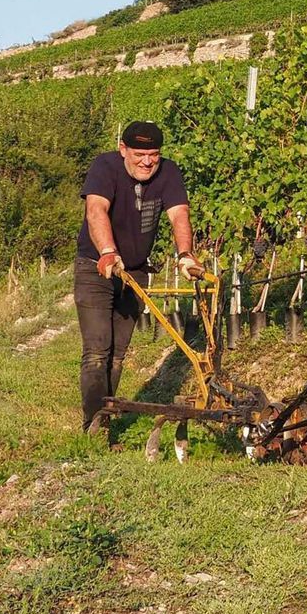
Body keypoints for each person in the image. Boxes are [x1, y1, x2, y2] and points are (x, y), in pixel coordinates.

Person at [75, 120, 201, 431]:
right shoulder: (104, 167)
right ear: (123, 150)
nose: (147, 161)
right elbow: (96, 210)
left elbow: (179, 215)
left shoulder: (168, 172)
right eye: (139, 154)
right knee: (96, 351)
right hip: (97, 266)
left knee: (117, 354)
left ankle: (105, 411)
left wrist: (185, 254)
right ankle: (94, 424)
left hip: (135, 271)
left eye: (154, 154)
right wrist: (107, 251)